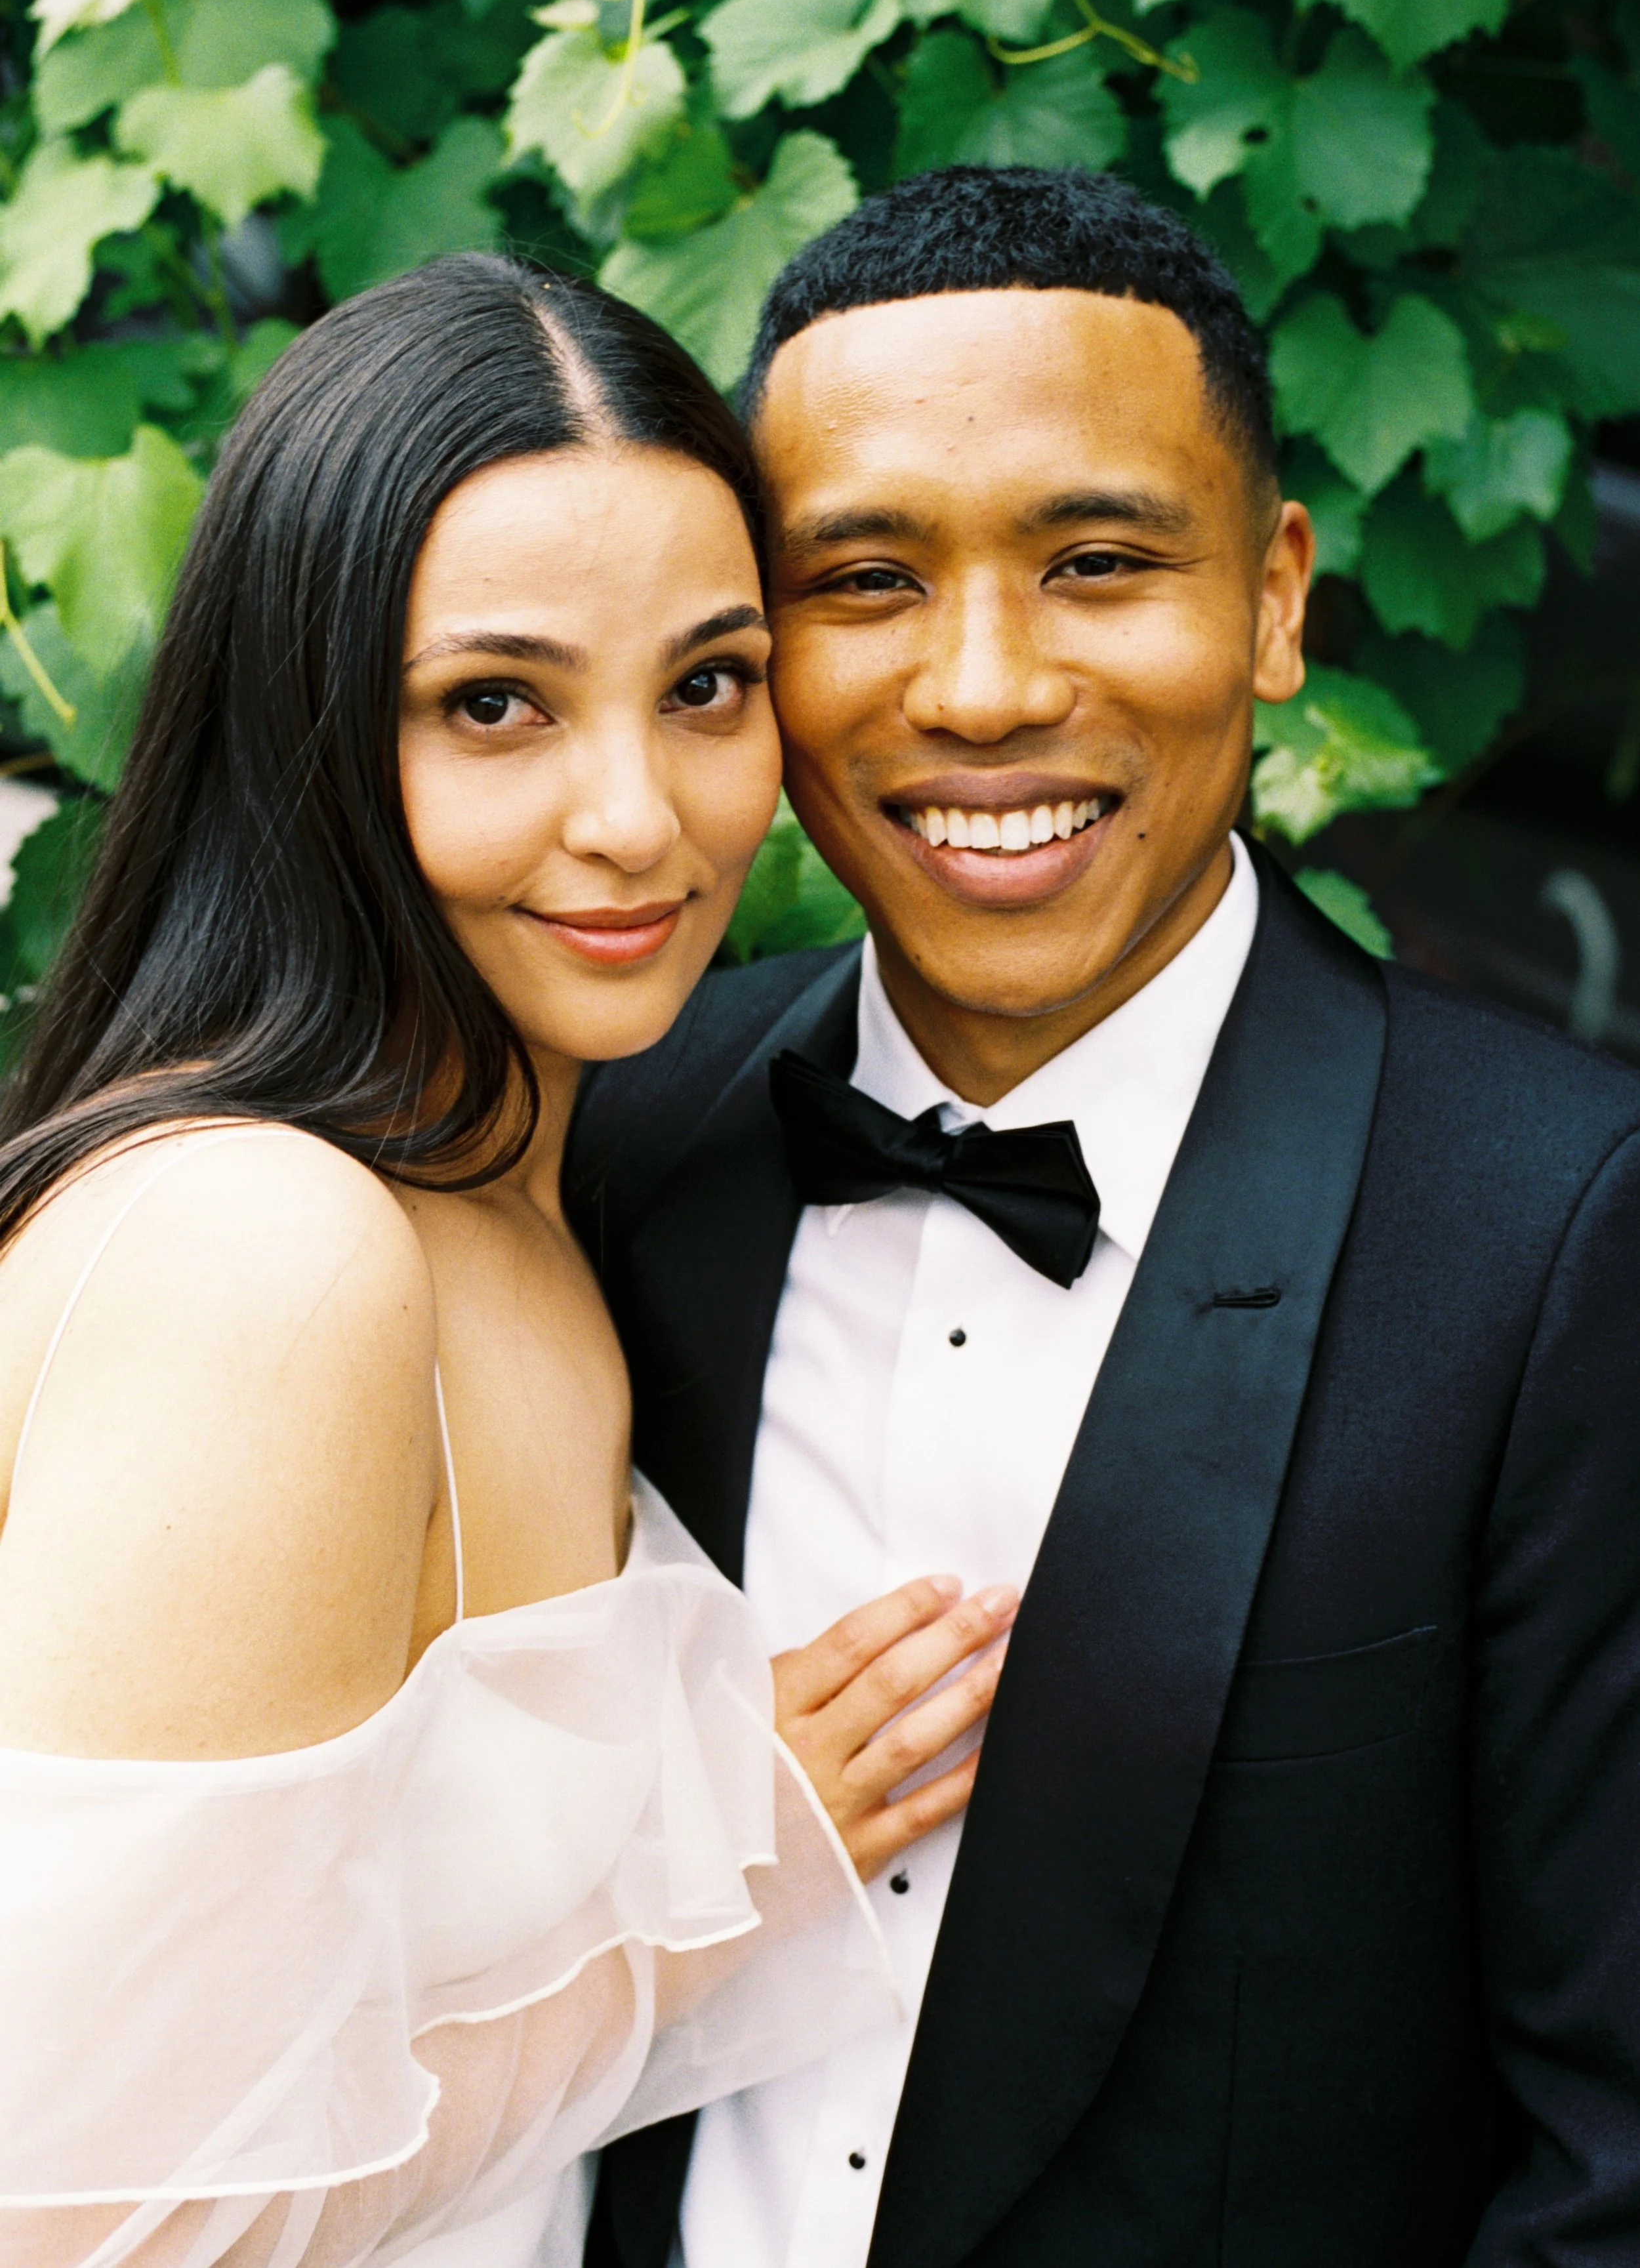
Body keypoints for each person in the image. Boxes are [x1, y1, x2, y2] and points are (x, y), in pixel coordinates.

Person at [568, 165, 1640, 2268]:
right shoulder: (615, 1141)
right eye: (862, 577)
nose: (976, 689)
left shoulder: (1557, 1233)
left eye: (1094, 561)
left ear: (1269, 598)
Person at [0, 255, 1020, 2268]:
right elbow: (112, 2225)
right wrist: (719, 1894)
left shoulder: (560, 1176)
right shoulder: (265, 1250)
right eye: (494, 704)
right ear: (299, 727)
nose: (639, 816)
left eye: (707, 686)